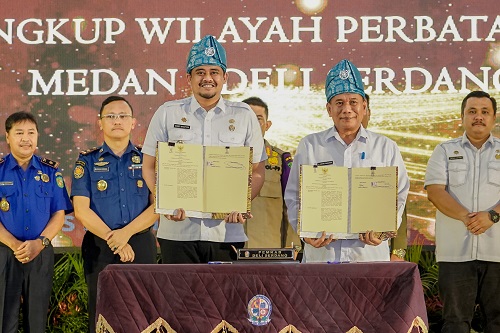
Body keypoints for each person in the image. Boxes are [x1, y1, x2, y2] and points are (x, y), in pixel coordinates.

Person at [141, 35, 266, 264]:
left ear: (224, 77)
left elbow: (257, 170)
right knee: (178, 300)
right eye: (200, 72)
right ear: (189, 77)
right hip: (177, 232)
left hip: (227, 232)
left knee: (225, 300)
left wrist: (243, 201)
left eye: (214, 72)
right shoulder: (167, 113)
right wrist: (164, 200)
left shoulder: (244, 115)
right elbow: (149, 166)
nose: (207, 78)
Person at [284, 59, 410, 263]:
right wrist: (304, 231)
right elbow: (294, 196)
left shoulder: (385, 147)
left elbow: (399, 194)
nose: (347, 109)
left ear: (364, 106)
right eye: (339, 103)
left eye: (353, 102)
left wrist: (384, 230)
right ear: (329, 109)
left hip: (368, 252)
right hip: (322, 250)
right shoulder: (310, 145)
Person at [71, 96, 158, 333]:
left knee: (144, 313)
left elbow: (157, 206)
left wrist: (126, 234)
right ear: (100, 123)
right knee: (101, 312)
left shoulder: (148, 159)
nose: (116, 121)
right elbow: (81, 210)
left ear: (133, 123)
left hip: (140, 243)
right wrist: (115, 240)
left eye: (122, 116)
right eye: (110, 116)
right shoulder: (87, 161)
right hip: (100, 244)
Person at [425, 90, 500, 333]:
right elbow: (435, 191)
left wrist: (492, 216)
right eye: (472, 111)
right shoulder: (444, 150)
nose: (478, 117)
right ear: (462, 117)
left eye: (485, 112)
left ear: (494, 118)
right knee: (455, 323)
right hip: (455, 254)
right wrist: (465, 218)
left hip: (498, 252)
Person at [0, 111, 72, 333]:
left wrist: (40, 243)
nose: (26, 138)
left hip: (41, 253)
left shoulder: (50, 171)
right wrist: (14, 245)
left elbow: (59, 214)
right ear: (7, 136)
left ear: (38, 137)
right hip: (4, 253)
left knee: (37, 320)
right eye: (19, 132)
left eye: (31, 133)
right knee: (4, 318)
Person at [242, 97, 300, 249]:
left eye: (258, 119)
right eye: (247, 118)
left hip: (268, 248)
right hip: (227, 246)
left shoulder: (281, 159)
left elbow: (292, 204)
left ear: (267, 125)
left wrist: (292, 247)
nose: (252, 124)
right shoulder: (219, 158)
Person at [362, 93, 408, 261]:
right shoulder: (319, 148)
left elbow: (398, 200)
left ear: (368, 112)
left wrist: (398, 251)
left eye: (360, 106)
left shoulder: (385, 148)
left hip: (374, 248)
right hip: (328, 248)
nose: (352, 112)